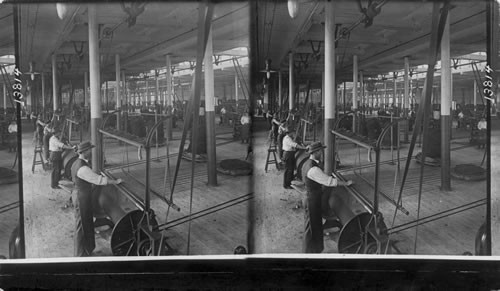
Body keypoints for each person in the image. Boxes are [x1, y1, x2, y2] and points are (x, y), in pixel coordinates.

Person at [71, 141, 122, 256]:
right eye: (89, 150)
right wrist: (115, 181)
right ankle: (80, 255)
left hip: (80, 194)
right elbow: (99, 180)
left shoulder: (77, 162)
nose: (91, 151)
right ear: (83, 152)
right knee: (82, 226)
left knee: (85, 223)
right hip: (81, 198)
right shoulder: (82, 168)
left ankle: (87, 250)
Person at [301, 141, 353, 253]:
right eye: (320, 151)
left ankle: (315, 250)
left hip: (310, 196)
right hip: (311, 200)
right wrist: (346, 183)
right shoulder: (313, 169)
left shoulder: (307, 163)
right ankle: (308, 253)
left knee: (314, 226)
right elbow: (329, 182)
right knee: (311, 228)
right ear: (316, 152)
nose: (322, 153)